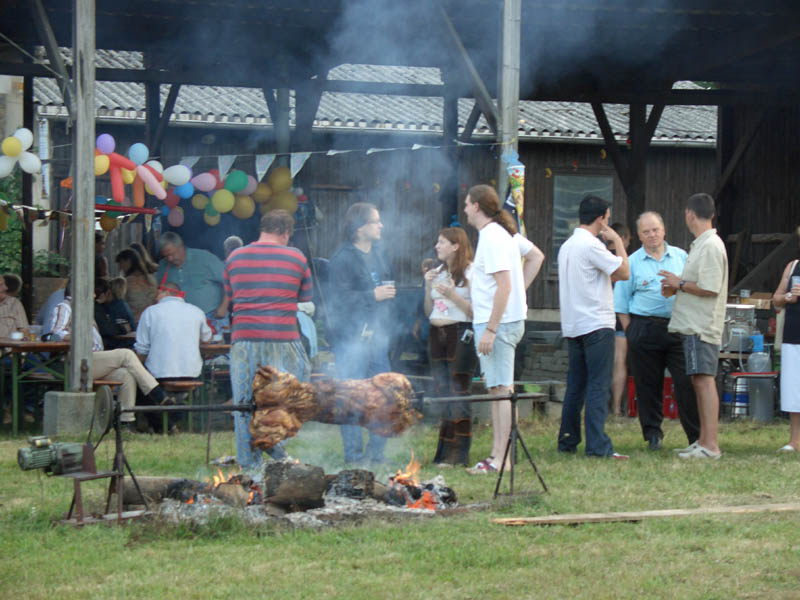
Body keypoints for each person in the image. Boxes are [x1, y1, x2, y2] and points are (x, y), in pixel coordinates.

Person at [462, 185, 545, 473]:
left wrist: (492, 329)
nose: (464, 209)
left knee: (502, 391)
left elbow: (505, 285)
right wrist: (518, 296)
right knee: (497, 389)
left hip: (498, 324)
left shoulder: (493, 236)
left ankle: (501, 459)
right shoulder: (504, 233)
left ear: (476, 206)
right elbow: (536, 256)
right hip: (502, 321)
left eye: (466, 204)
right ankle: (497, 456)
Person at [224, 210, 313, 469]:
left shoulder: (235, 258)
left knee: (244, 405)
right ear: (286, 232)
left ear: (262, 229)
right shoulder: (296, 257)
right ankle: (276, 450)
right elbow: (305, 298)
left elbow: (230, 296)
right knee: (287, 398)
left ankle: (250, 468)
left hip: (244, 340)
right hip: (282, 339)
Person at [614, 211, 699, 450]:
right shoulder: (631, 262)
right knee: (647, 384)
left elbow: (695, 288)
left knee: (686, 383)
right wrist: (632, 332)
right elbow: (620, 303)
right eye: (646, 231)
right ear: (639, 235)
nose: (652, 235)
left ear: (664, 230)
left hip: (679, 326)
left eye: (655, 230)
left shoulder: (682, 257)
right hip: (644, 326)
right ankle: (653, 435)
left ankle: (695, 436)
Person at [557, 195, 630, 459]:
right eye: (607, 219)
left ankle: (567, 440)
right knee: (598, 386)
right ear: (601, 218)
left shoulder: (567, 245)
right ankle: (597, 446)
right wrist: (618, 242)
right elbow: (624, 272)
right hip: (597, 324)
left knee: (575, 386)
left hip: (573, 324)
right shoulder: (592, 245)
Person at [660, 193, 728, 459]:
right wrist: (677, 288)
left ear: (690, 214)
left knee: (704, 380)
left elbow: (710, 288)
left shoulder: (711, 245)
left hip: (703, 325)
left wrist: (680, 284)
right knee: (698, 380)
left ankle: (711, 444)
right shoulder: (701, 244)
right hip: (692, 324)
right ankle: (702, 440)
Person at [328, 202, 396, 465]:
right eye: (375, 221)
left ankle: (376, 453)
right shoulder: (341, 260)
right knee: (352, 398)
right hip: (350, 340)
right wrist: (372, 295)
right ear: (359, 227)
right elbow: (338, 301)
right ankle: (354, 456)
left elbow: (386, 286)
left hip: (378, 338)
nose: (381, 225)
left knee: (384, 395)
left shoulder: (380, 254)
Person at [49, 282, 167, 429]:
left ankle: (125, 423)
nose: (94, 295)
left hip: (94, 360)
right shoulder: (65, 306)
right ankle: (157, 394)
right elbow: (57, 333)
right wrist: (79, 336)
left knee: (126, 375)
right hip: (77, 361)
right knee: (126, 354)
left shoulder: (85, 310)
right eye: (91, 292)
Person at [424, 228, 478, 466]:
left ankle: (460, 453)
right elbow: (429, 310)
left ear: (456, 246)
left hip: (459, 332)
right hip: (437, 332)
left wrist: (453, 295)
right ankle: (443, 453)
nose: (437, 246)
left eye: (442, 242)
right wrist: (427, 288)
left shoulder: (471, 272)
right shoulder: (437, 272)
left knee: (459, 391)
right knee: (443, 392)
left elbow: (476, 311)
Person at [135, 281, 212, 432]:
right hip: (191, 373)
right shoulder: (196, 311)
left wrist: (140, 367)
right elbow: (207, 338)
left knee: (139, 385)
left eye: (157, 292)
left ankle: (165, 425)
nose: (155, 296)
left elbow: (142, 349)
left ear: (167, 292)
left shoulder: (150, 312)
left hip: (158, 375)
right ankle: (174, 418)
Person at [155, 232, 226, 318]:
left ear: (181, 247)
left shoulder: (204, 258)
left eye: (172, 254)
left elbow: (230, 280)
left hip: (211, 316)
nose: (170, 258)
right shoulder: (163, 266)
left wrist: (224, 306)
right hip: (180, 319)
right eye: (166, 256)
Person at [772, 252, 800, 452]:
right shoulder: (792, 266)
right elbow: (776, 299)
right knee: (793, 390)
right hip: (793, 336)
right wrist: (789, 297)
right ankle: (795, 441)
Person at [607, 223, 631, 417]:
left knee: (615, 362)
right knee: (620, 361)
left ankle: (615, 407)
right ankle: (617, 407)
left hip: (606, 316)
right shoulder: (628, 262)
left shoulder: (603, 257)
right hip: (623, 316)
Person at [1, 276, 32, 424]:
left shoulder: (14, 304)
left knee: (38, 365)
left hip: (16, 352)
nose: (5, 288)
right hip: (4, 353)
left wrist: (20, 339)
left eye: (4, 285)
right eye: (1, 285)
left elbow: (24, 331)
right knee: (8, 366)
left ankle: (27, 409)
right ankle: (8, 407)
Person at [115, 248, 157, 321]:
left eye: (121, 263)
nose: (120, 267)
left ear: (127, 261)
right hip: (153, 318)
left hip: (135, 321)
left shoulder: (126, 282)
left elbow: (122, 305)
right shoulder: (152, 279)